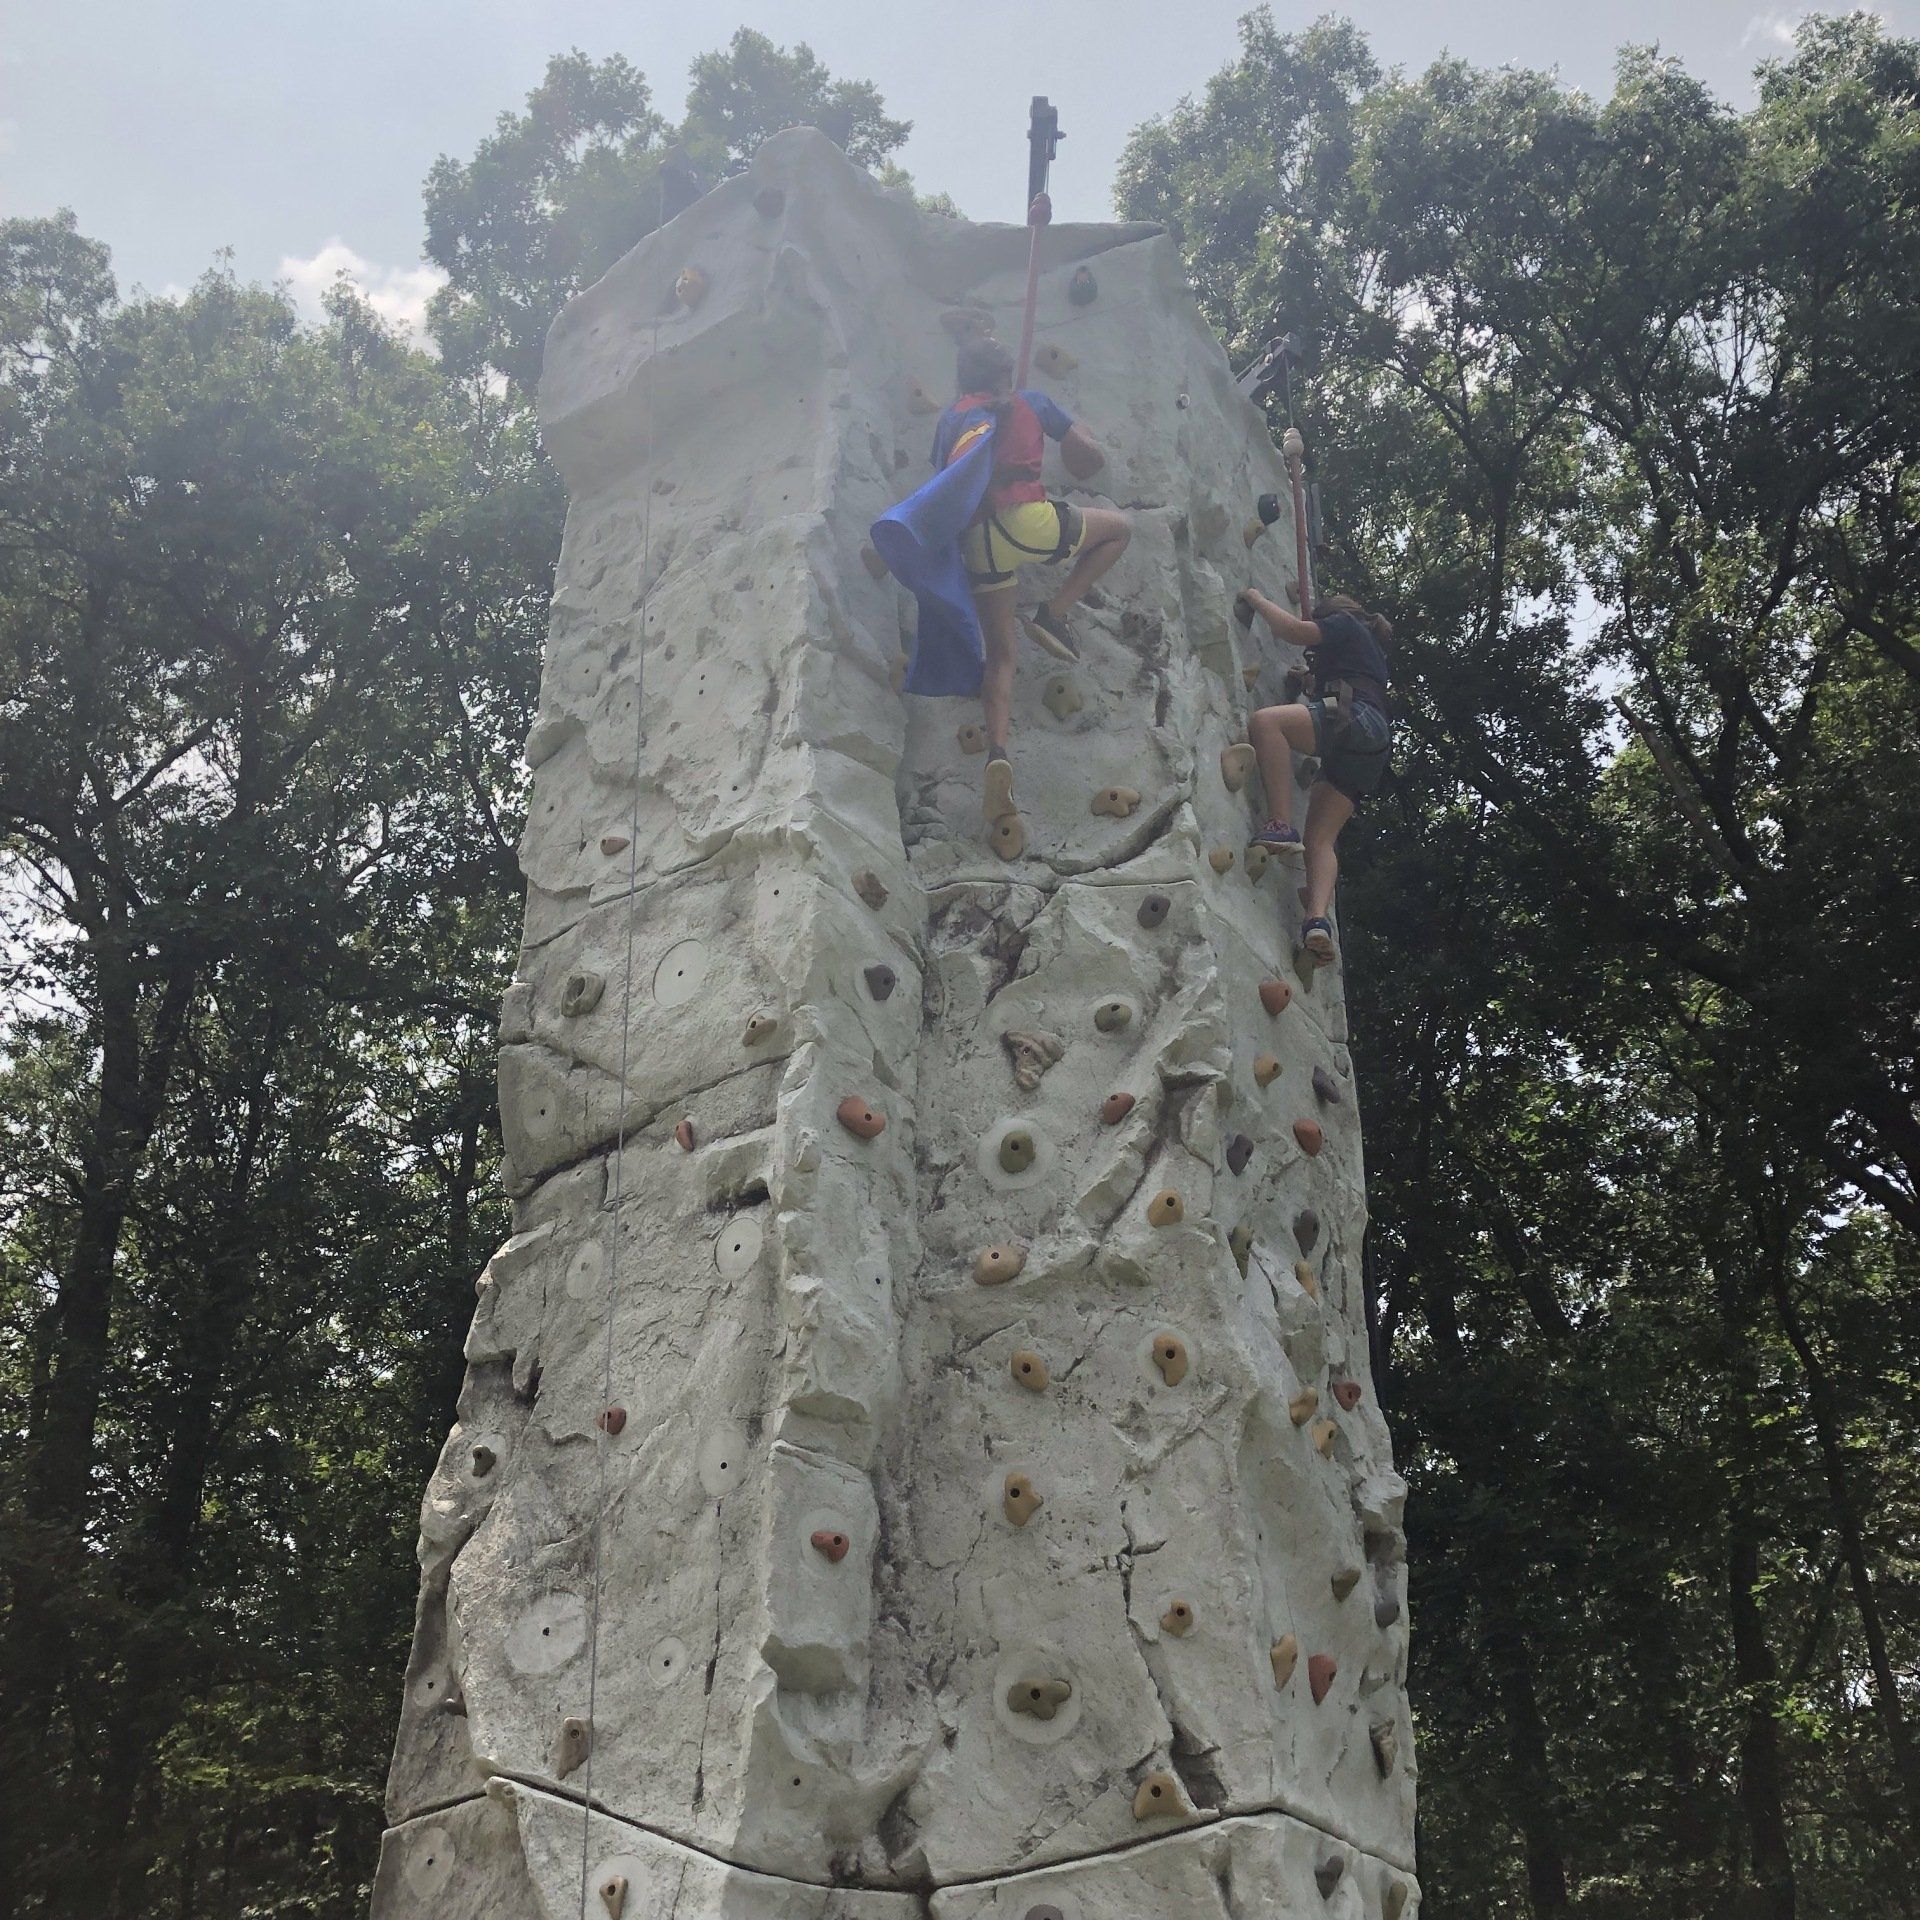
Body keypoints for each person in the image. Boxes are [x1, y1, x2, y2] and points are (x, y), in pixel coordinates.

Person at [933, 336, 1131, 851]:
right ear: (1005, 373)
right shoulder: (1033, 401)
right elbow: (1087, 458)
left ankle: (998, 751)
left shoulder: (952, 417)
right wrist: (1079, 431)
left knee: (1000, 655)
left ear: (963, 379)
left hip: (978, 540)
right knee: (1118, 531)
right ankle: (1054, 612)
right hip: (1027, 520)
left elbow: (944, 480)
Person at [1238, 589, 1394, 964]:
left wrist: (1256, 598)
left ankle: (1279, 823)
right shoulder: (1365, 649)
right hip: (1370, 746)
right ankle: (1317, 920)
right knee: (1320, 840)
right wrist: (1308, 680)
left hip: (1354, 720)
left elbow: (1293, 630)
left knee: (1266, 722)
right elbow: (1340, 683)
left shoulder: (1346, 623)